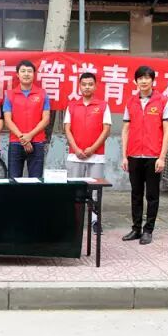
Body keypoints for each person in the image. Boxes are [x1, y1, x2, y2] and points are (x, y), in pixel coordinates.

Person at [121, 66, 168, 245]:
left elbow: (167, 131)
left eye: (147, 78)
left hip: (153, 156)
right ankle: (136, 229)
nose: (143, 81)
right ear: (135, 81)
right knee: (136, 194)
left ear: (153, 80)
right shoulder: (130, 102)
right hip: (134, 155)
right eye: (140, 78)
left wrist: (162, 157)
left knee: (152, 195)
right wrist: (124, 156)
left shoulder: (163, 101)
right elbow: (125, 130)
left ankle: (148, 230)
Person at [64, 72, 112, 233]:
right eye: (84, 84)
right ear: (79, 86)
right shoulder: (72, 106)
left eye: (90, 84)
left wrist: (92, 149)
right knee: (74, 189)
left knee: (95, 191)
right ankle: (73, 221)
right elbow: (67, 129)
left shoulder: (103, 105)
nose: (87, 87)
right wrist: (76, 149)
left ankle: (95, 221)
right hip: (75, 155)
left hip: (96, 156)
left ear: (95, 86)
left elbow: (106, 130)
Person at [3, 60, 50, 178]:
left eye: (29, 71)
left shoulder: (42, 94)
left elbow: (46, 119)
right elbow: (7, 120)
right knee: (13, 179)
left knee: (35, 180)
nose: (26, 74)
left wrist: (30, 135)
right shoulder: (10, 94)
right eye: (23, 71)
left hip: (37, 141)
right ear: (17, 74)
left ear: (34, 74)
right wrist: (23, 138)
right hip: (15, 142)